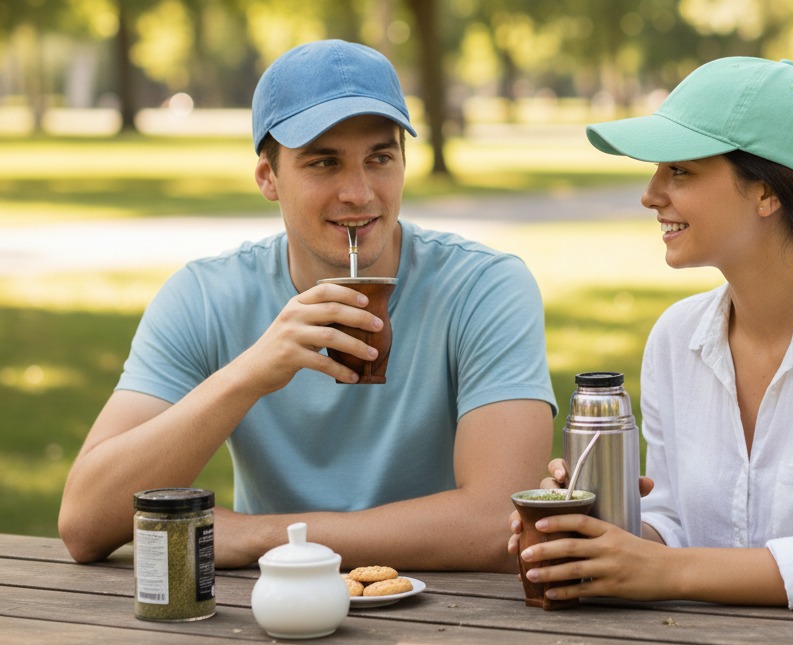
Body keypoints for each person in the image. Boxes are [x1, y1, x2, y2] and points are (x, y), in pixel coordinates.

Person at [59, 39, 555, 570]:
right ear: (268, 177)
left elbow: (500, 523)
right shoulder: (205, 296)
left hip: (459, 616)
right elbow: (85, 525)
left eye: (380, 158)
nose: (360, 193)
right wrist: (252, 371)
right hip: (272, 616)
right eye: (324, 162)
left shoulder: (483, 286)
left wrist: (265, 537)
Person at [511, 56, 793, 610]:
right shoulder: (674, 338)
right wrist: (600, 537)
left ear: (766, 193)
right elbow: (677, 519)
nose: (650, 194)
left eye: (679, 171)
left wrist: (668, 572)